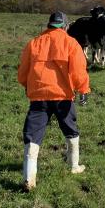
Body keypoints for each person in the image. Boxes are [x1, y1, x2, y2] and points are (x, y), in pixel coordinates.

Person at [17, 11, 91, 191]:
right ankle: (74, 166)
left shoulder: (33, 43)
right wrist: (83, 89)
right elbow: (78, 71)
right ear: (65, 26)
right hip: (62, 97)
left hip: (38, 97)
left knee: (32, 134)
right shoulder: (71, 43)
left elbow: (22, 73)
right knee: (70, 128)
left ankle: (29, 177)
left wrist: (27, 84)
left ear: (49, 25)